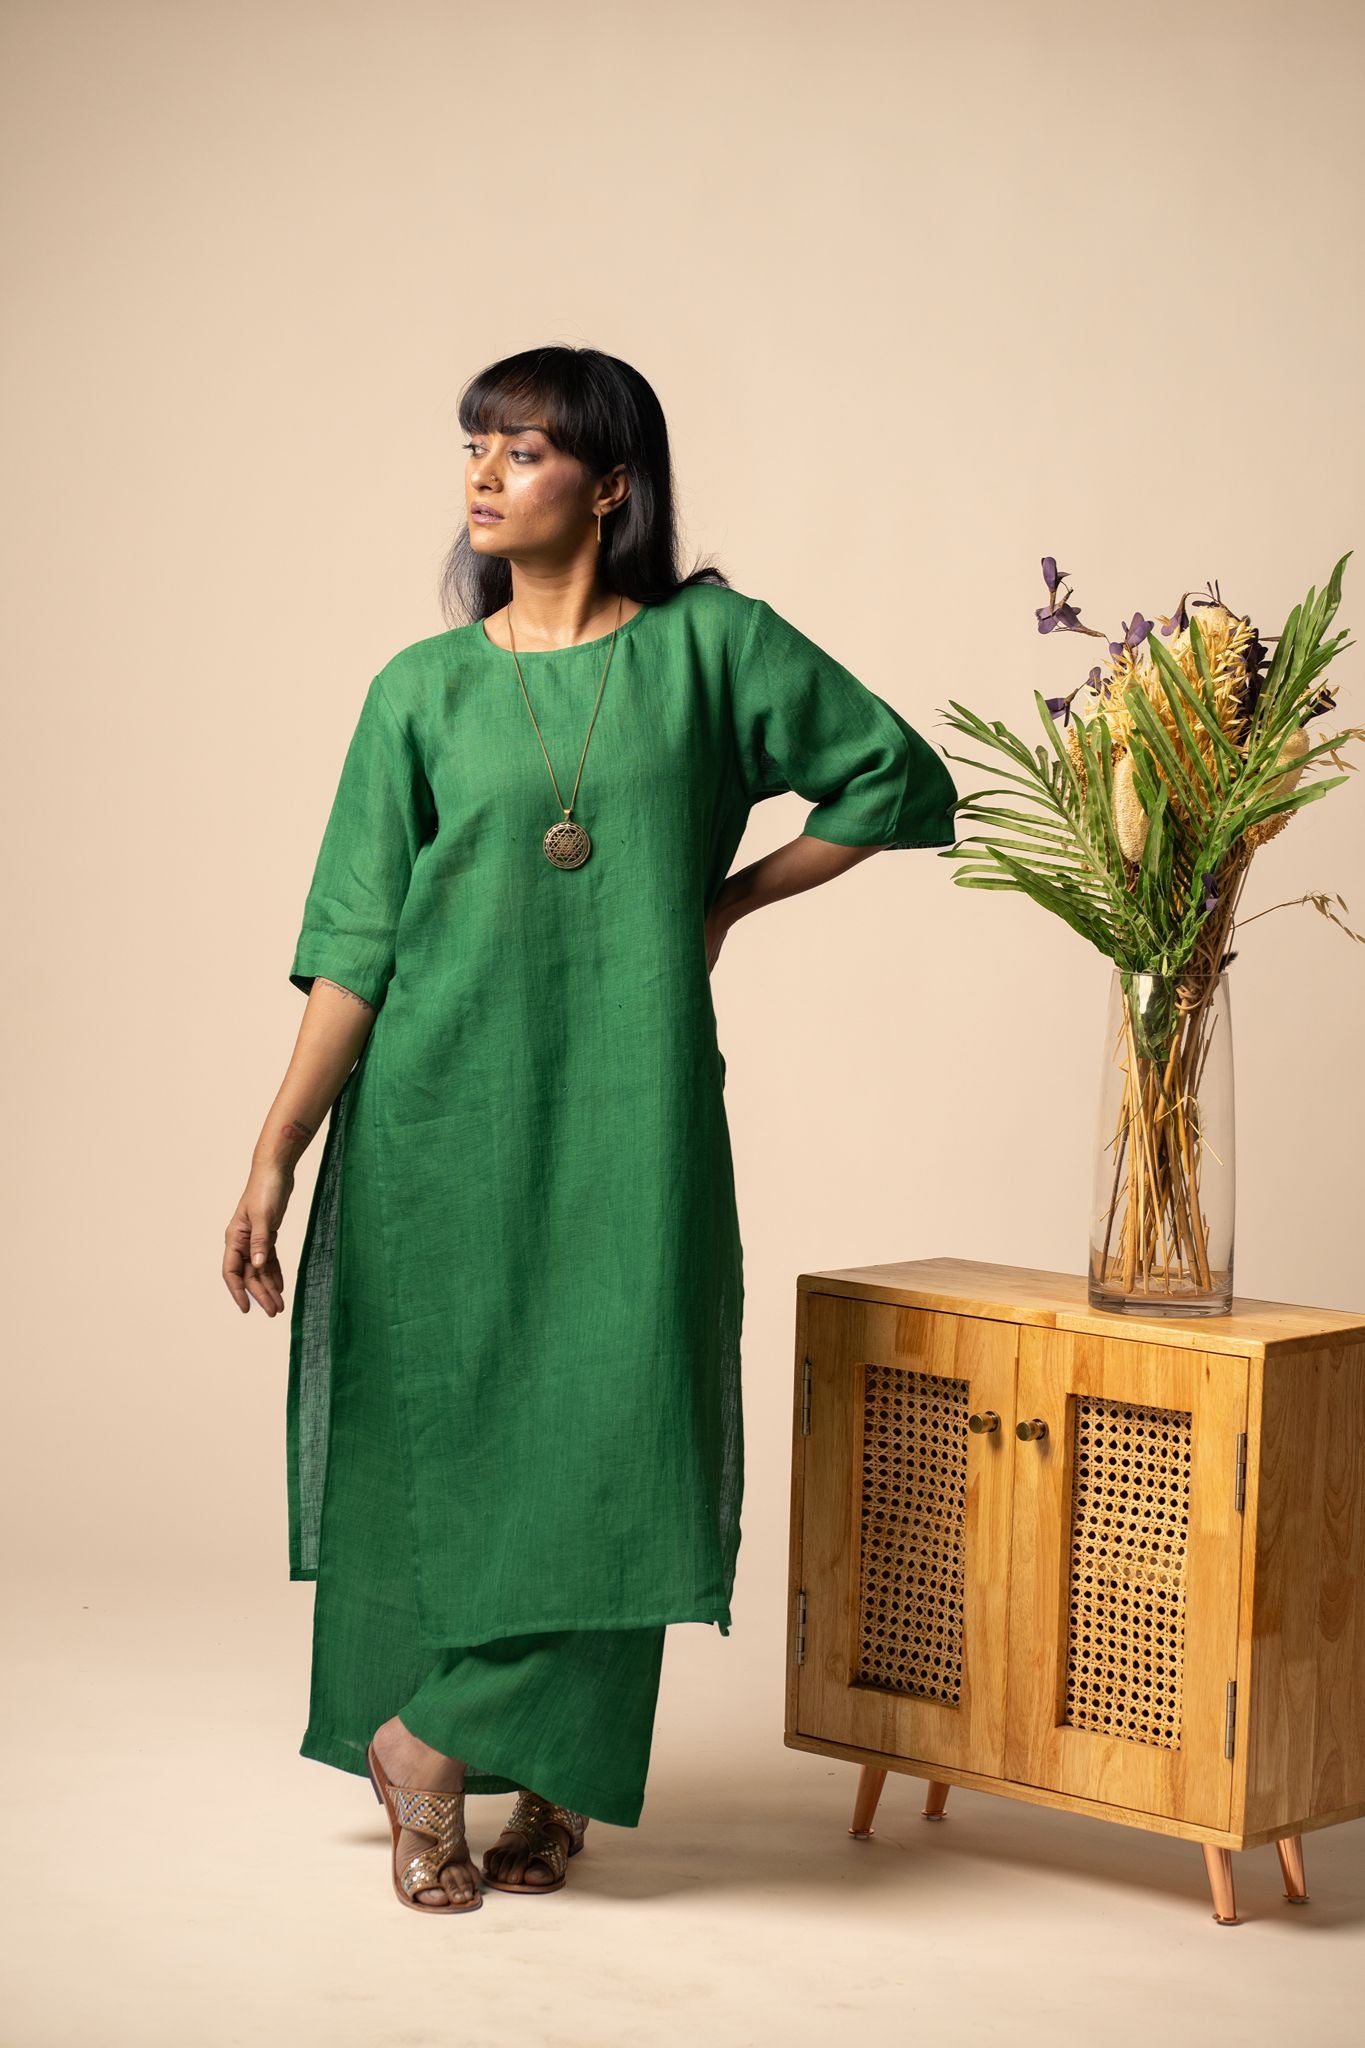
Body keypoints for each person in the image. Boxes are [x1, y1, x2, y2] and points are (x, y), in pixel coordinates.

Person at [222, 344, 960, 1915]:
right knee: (457, 1439)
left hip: (632, 1110)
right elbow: (355, 945)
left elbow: (889, 776)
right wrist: (275, 1153)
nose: (484, 474)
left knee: (625, 1433)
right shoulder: (418, 690)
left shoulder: (710, 647)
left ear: (610, 484)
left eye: (525, 448)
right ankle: (529, 1774)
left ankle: (431, 1746)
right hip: (437, 1120)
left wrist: (727, 903)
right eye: (472, 445)